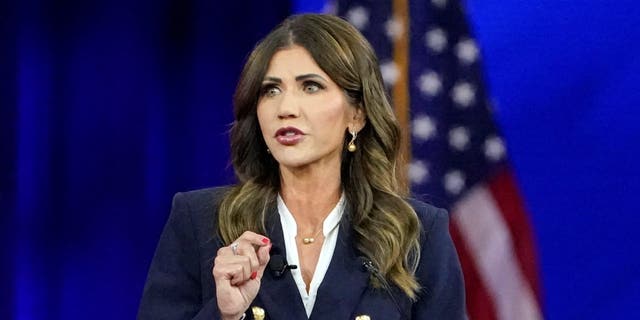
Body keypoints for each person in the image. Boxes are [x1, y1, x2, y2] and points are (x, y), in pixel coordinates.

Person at [138, 13, 466, 320]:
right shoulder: (198, 222)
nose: (286, 108)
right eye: (271, 90)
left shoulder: (417, 234)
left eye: (311, 86)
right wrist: (226, 315)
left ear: (357, 114)